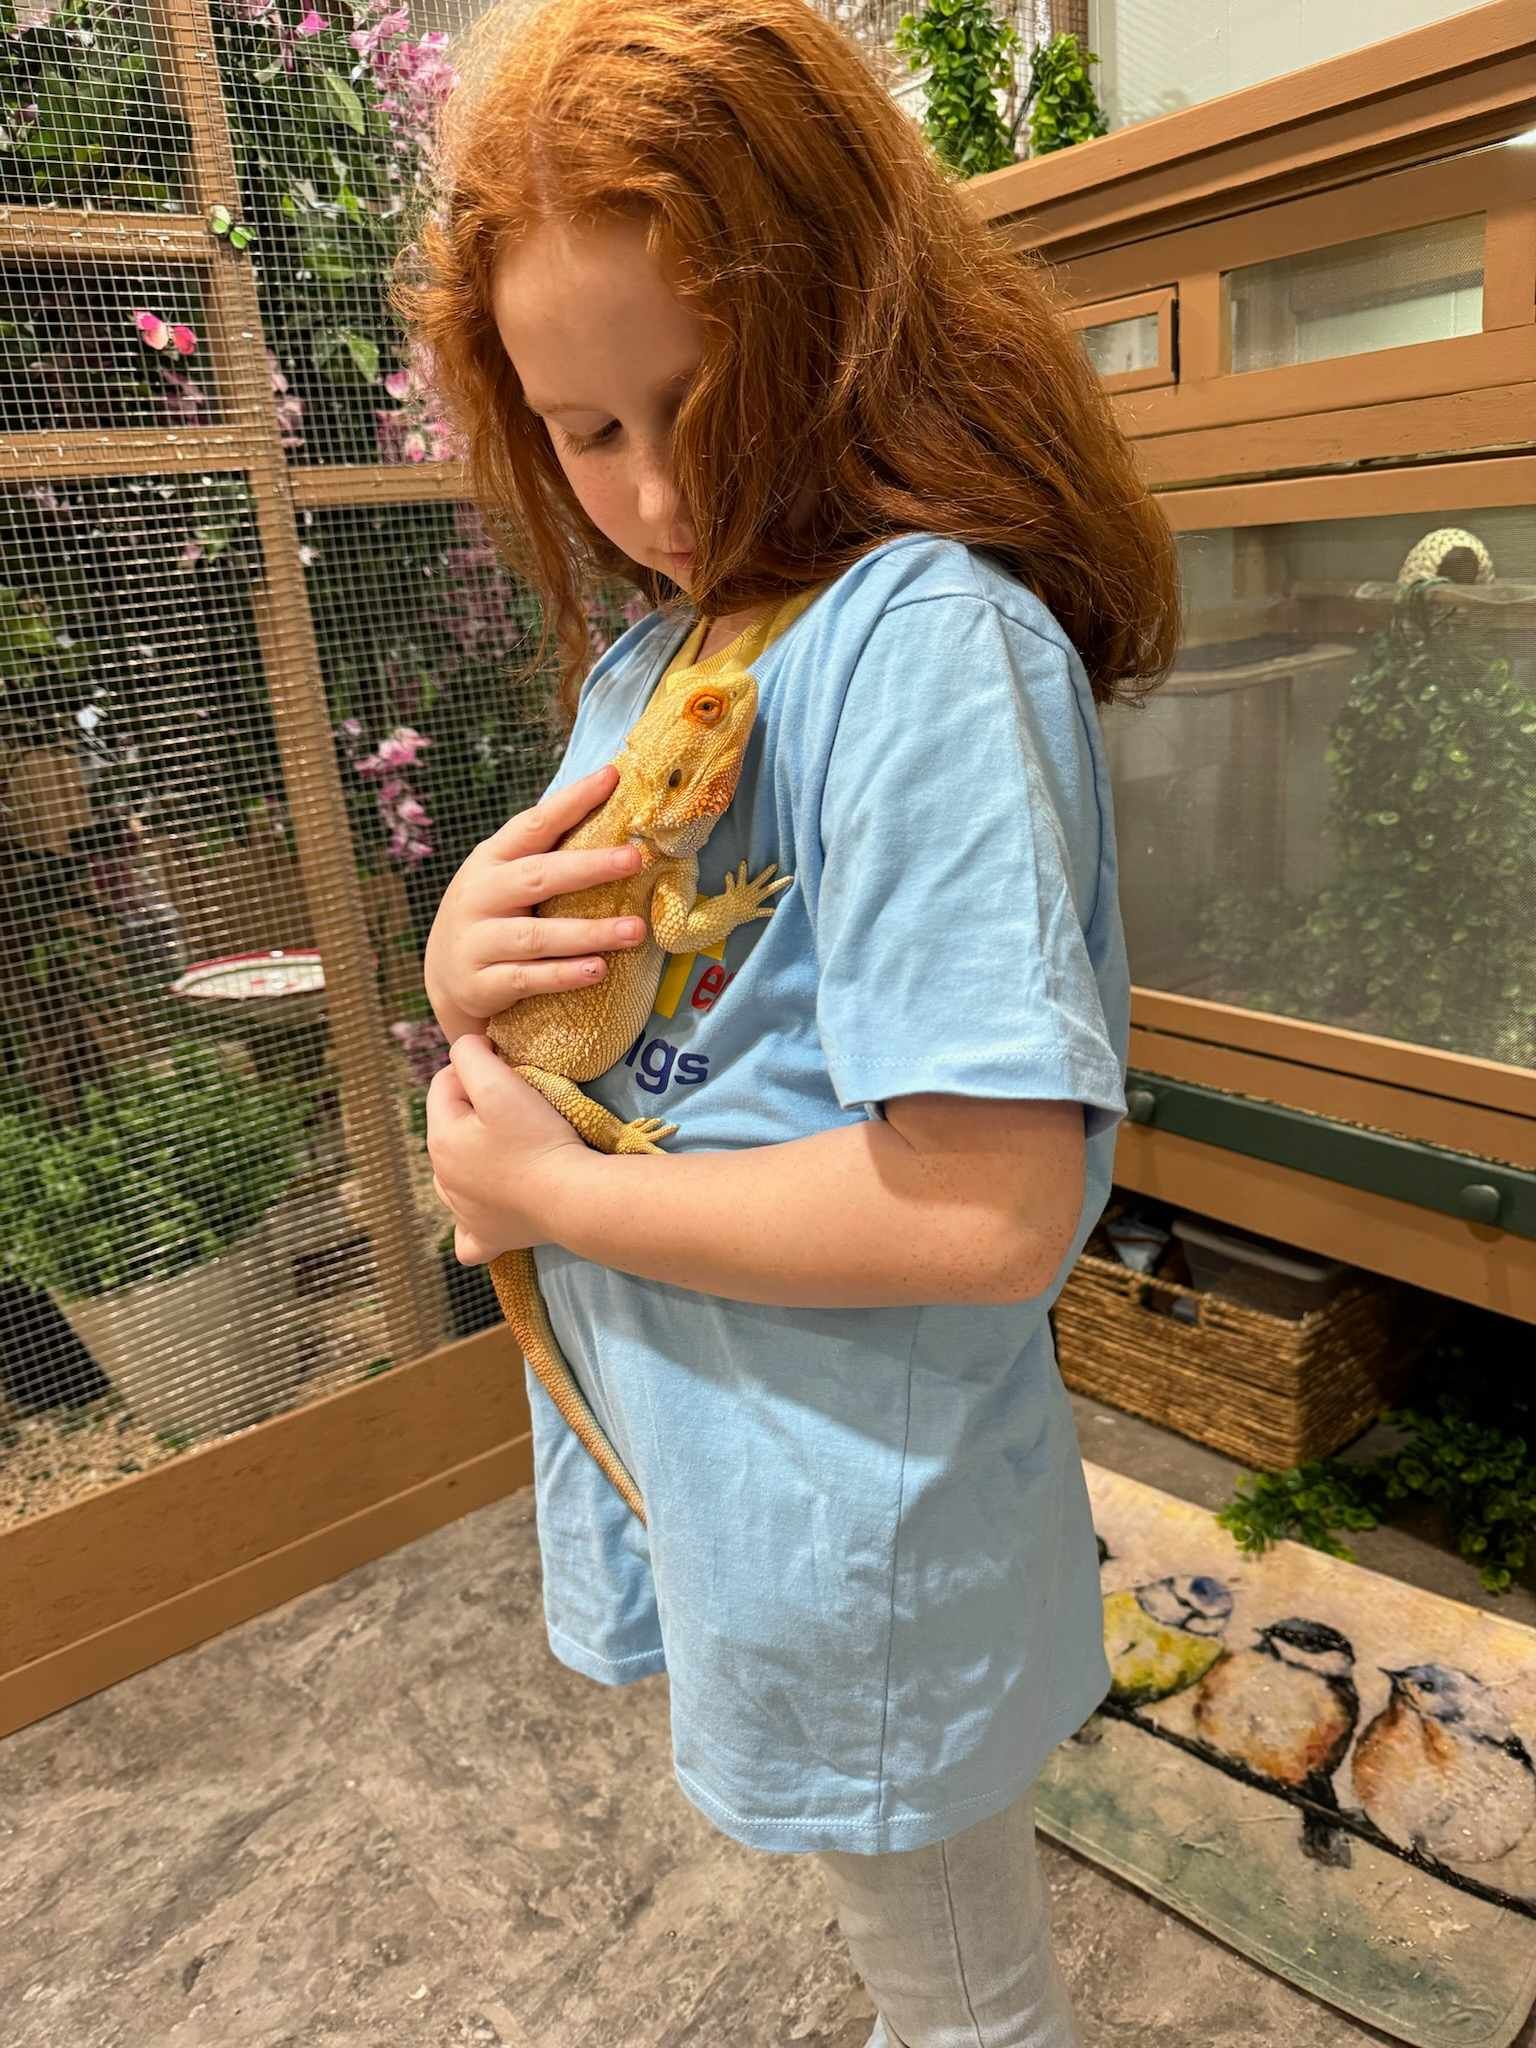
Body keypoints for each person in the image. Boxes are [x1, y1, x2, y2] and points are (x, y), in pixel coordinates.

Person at [403, 2, 1179, 2040]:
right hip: (721, 1456)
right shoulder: (665, 654)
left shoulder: (922, 647)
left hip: (857, 1507)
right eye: (584, 433)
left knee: (957, 1985)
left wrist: (553, 1199)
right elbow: (625, 994)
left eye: (699, 395)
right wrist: (456, 966)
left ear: (843, 314)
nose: (657, 494)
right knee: (902, 1933)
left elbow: (985, 1212)